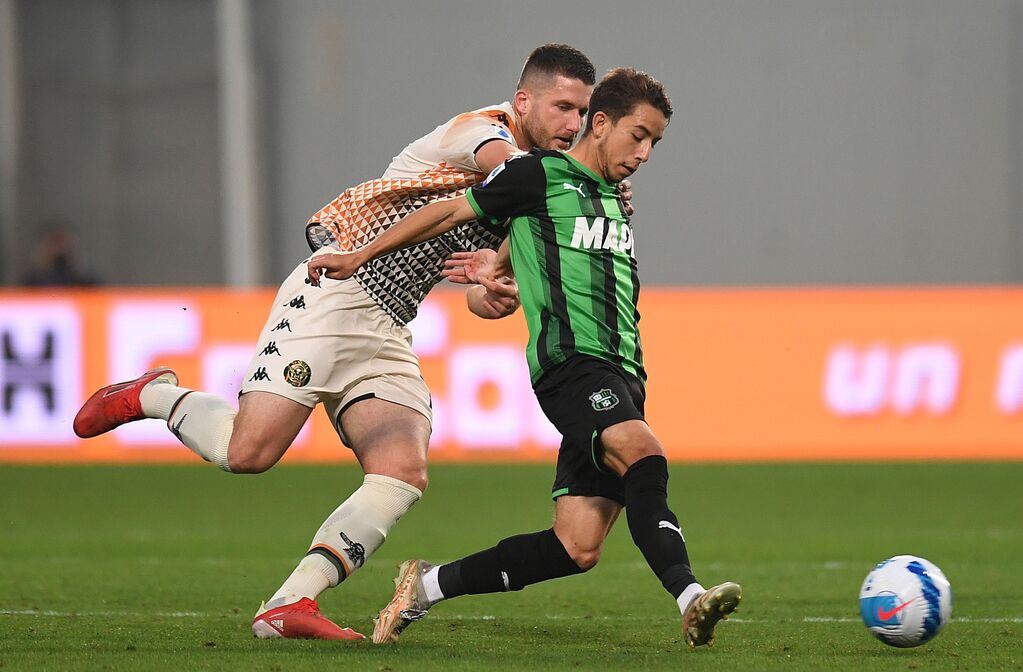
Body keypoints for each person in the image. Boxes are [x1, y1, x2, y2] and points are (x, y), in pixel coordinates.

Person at [72, 44, 603, 641]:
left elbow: (480, 293)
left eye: (583, 113)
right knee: (247, 454)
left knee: (403, 470)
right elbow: (508, 171)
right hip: (336, 292)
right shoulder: (484, 132)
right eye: (562, 107)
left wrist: (489, 289)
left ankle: (290, 604)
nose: (572, 124)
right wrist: (586, 184)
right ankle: (156, 395)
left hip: (389, 325)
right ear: (524, 101)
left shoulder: (530, 195)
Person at [308, 67, 742, 650]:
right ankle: (690, 598)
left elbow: (529, 255)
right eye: (638, 135)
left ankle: (426, 588)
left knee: (577, 546)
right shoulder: (537, 174)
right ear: (603, 123)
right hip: (571, 364)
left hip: (626, 371)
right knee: (646, 456)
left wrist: (500, 266)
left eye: (655, 143)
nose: (644, 152)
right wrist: (359, 254)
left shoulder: (612, 196)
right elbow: (448, 213)